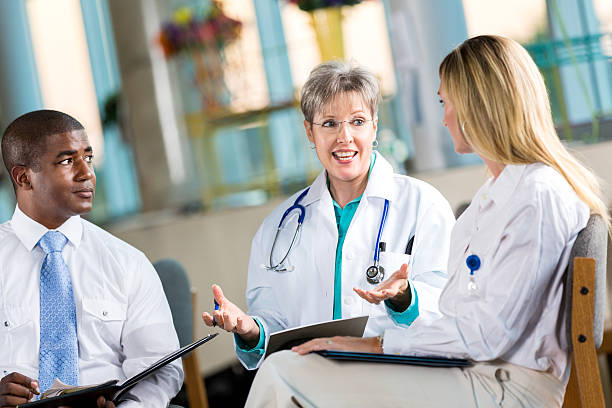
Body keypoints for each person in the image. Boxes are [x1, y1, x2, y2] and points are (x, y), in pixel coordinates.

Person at [244, 35, 611, 407]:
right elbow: (463, 313)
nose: (444, 117)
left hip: (498, 389)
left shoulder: (538, 196)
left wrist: (377, 344)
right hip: (467, 374)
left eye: (446, 102)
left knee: (283, 373)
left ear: (478, 107)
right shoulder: (500, 195)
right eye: (329, 123)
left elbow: (487, 335)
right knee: (291, 369)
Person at [201, 61, 456, 370]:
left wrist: (404, 297)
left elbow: (447, 311)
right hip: (315, 379)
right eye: (330, 124)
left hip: (398, 375)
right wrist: (249, 330)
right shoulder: (278, 228)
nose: (344, 137)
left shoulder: (423, 206)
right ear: (310, 131)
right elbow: (274, 329)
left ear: (375, 126)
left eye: (358, 121)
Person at [0, 110, 183, 407]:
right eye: (67, 161)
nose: (86, 173)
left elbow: (159, 368)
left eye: (88, 157)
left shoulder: (127, 262)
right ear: (23, 178)